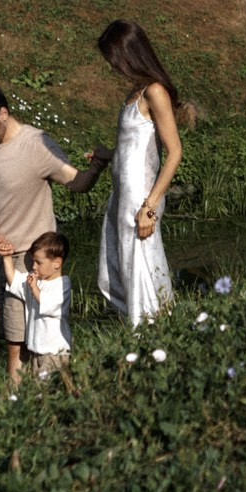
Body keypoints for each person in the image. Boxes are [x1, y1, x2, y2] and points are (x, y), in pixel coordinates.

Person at [0, 83, 107, 388]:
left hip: (33, 261)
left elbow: (78, 183)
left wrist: (98, 165)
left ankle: (22, 406)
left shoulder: (36, 144)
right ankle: (31, 405)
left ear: (3, 114)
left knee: (24, 344)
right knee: (13, 340)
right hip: (1, 256)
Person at [94, 21, 191, 324]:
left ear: (129, 55)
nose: (113, 68)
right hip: (123, 193)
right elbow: (134, 148)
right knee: (118, 266)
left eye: (115, 60)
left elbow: (174, 152)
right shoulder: (135, 93)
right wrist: (107, 155)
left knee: (141, 267)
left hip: (141, 196)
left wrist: (149, 206)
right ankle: (140, 332)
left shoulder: (155, 92)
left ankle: (151, 333)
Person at [21, 230, 73, 378]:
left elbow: (49, 304)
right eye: (33, 261)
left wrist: (34, 288)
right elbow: (15, 282)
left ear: (57, 263)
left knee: (50, 391)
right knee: (40, 391)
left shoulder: (63, 284)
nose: (34, 266)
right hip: (37, 350)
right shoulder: (40, 283)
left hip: (54, 352)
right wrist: (6, 258)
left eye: (39, 262)